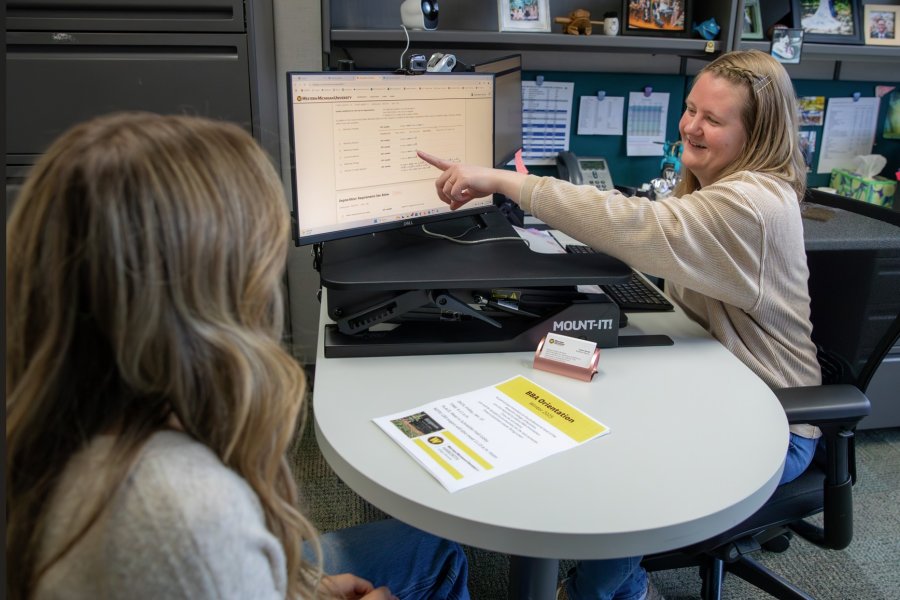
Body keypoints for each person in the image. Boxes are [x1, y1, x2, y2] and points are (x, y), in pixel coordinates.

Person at [6, 112, 470, 600]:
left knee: (429, 546)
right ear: (209, 300)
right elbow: (192, 552)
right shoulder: (190, 513)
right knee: (436, 554)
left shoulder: (51, 422)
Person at [417, 49, 820, 600]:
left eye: (713, 119)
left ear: (757, 134)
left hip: (775, 418)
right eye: (690, 109)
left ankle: (602, 591)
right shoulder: (714, 181)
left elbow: (641, 226)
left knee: (628, 463)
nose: (691, 127)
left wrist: (507, 183)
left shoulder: (751, 204)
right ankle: (617, 578)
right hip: (715, 379)